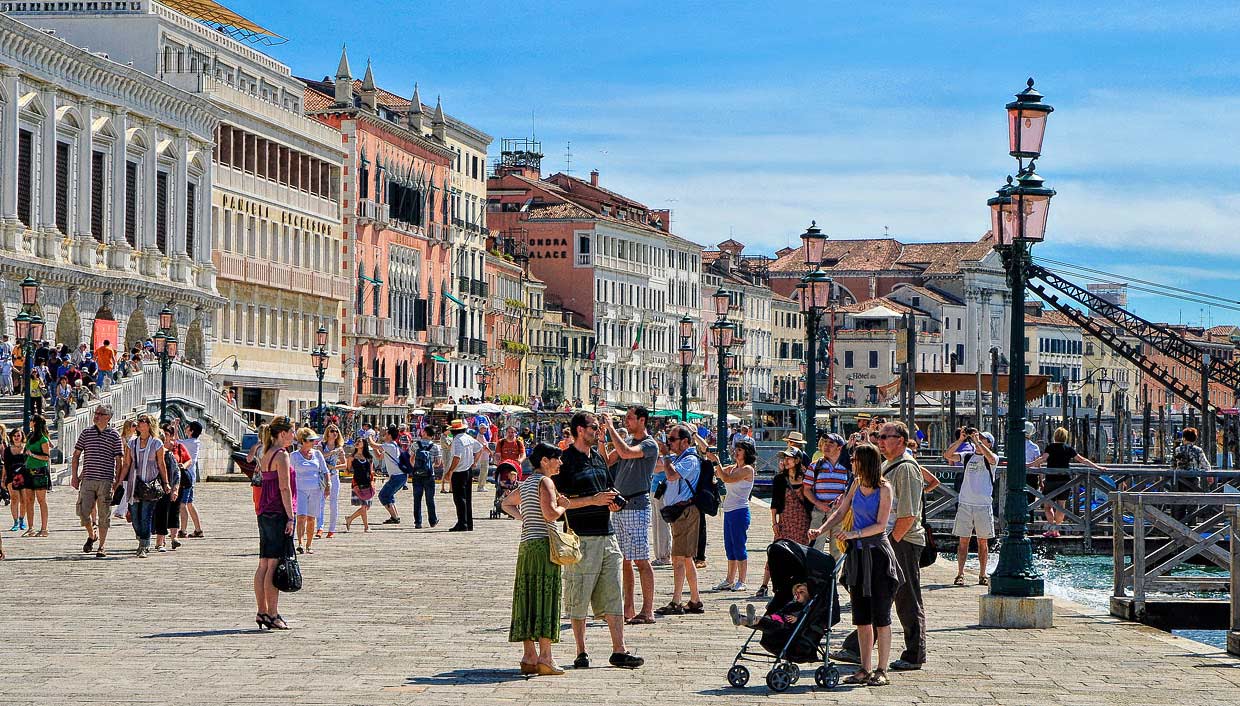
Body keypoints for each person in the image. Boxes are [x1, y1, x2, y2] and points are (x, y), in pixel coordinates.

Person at [834, 421, 927, 672]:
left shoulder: (906, 469)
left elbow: (908, 513)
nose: (880, 440)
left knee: (905, 596)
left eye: (886, 436)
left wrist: (889, 542)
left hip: (902, 539)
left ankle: (914, 653)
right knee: (874, 594)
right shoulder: (886, 465)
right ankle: (857, 648)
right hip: (880, 539)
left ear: (902, 440)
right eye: (879, 436)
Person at [553, 411, 642, 669]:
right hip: (581, 538)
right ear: (580, 430)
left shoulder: (599, 458)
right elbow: (560, 502)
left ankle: (619, 650)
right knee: (579, 594)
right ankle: (581, 651)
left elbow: (609, 488)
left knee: (614, 593)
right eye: (594, 427)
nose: (598, 431)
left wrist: (615, 501)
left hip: (607, 535)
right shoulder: (565, 461)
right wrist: (591, 500)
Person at [809, 442, 900, 687]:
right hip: (857, 558)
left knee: (881, 616)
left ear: (866, 462)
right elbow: (840, 512)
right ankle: (864, 668)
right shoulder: (856, 484)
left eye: (855, 459)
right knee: (861, 617)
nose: (851, 462)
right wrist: (821, 529)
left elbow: (881, 525)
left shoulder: (885, 489)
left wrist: (854, 534)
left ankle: (882, 669)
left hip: (878, 557)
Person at [502, 442, 570, 676]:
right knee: (546, 596)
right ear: (544, 460)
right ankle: (546, 657)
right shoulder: (545, 482)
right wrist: (563, 507)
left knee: (527, 596)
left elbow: (506, 503)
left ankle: (529, 655)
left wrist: (525, 517)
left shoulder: (527, 482)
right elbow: (550, 513)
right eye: (556, 458)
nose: (560, 463)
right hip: (544, 546)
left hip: (526, 545)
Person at [602, 406, 660, 625]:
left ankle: (648, 609)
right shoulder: (628, 442)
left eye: (630, 418)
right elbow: (608, 460)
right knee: (624, 559)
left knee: (641, 559)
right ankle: (628, 607)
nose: (626, 421)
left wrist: (610, 428)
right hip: (620, 504)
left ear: (642, 420)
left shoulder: (648, 444)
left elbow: (625, 453)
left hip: (636, 505)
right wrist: (601, 440)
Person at [654, 423, 704, 616]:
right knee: (685, 557)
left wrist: (666, 455)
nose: (670, 443)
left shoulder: (690, 460)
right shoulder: (679, 457)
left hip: (686, 512)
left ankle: (676, 600)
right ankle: (695, 599)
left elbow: (672, 475)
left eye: (673, 440)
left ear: (685, 441)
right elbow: (657, 466)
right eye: (668, 440)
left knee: (678, 558)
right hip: (679, 513)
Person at [252, 416, 295, 630]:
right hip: (277, 510)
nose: (294, 435)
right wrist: (290, 516)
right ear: (282, 433)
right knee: (274, 564)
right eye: (291, 431)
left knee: (263, 563)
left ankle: (261, 611)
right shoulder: (281, 455)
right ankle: (273, 613)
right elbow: (284, 488)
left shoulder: (266, 453)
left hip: (263, 510)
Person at [754, 448, 812, 598]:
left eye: (789, 458)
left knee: (800, 554)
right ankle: (765, 584)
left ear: (797, 460)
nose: (785, 461)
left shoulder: (806, 478)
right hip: (785, 520)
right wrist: (774, 523)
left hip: (802, 521)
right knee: (776, 552)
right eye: (784, 458)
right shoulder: (780, 479)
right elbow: (775, 504)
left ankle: (798, 585)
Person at [1029, 426, 1106, 538]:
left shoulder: (1050, 447)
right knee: (1061, 506)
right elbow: (1082, 460)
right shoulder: (1068, 448)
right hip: (1065, 482)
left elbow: (1042, 459)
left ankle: (1051, 528)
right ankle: (1057, 529)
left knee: (1047, 506)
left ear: (1055, 436)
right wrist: (1097, 467)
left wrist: (1029, 465)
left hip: (1051, 480)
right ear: (1065, 437)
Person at [944, 430, 998, 586]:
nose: (978, 439)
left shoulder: (992, 458)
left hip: (983, 505)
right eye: (978, 437)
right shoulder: (967, 456)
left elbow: (992, 459)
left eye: (983, 439)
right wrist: (961, 439)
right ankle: (960, 573)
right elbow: (948, 455)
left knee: (983, 542)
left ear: (989, 443)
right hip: (966, 503)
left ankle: (982, 574)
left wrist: (977, 441)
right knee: (963, 541)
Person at [70, 404, 124, 558]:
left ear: (107, 418)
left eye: (100, 414)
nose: (96, 416)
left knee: (103, 515)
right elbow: (76, 455)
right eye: (96, 413)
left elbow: (119, 459)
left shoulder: (114, 435)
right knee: (83, 512)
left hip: (106, 480)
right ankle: (92, 535)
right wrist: (75, 476)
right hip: (87, 478)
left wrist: (117, 480)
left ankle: (102, 546)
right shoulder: (86, 433)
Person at [116, 414, 169, 557]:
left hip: (150, 483)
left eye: (142, 421)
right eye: (138, 421)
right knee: (134, 516)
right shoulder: (132, 443)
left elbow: (161, 464)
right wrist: (120, 480)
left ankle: (144, 545)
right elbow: (127, 463)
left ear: (149, 425)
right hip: (134, 483)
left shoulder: (157, 443)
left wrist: (166, 483)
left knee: (146, 515)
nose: (138, 423)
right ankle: (142, 537)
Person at [716, 439, 755, 592]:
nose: (736, 452)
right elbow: (718, 472)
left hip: (740, 511)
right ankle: (729, 579)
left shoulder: (747, 470)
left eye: (739, 450)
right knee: (729, 547)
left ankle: (742, 580)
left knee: (739, 546)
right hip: (728, 510)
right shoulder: (732, 468)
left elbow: (726, 479)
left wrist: (717, 461)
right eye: (736, 449)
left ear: (746, 453)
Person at [803, 432, 850, 556]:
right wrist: (818, 504)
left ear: (839, 448)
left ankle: (835, 574)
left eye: (831, 443)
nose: (826, 446)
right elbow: (806, 489)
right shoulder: (815, 466)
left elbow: (853, 487)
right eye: (824, 443)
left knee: (838, 549)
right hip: (819, 511)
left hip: (840, 512)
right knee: (815, 547)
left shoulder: (847, 467)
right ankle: (816, 574)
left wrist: (844, 496)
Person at [290, 427, 329, 554]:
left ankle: (309, 544)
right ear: (303, 441)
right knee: (301, 516)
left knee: (311, 518)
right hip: (299, 489)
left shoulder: (317, 454)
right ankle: (300, 542)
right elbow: (289, 473)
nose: (313, 442)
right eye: (311, 440)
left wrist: (328, 485)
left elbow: (325, 471)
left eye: (314, 440)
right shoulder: (294, 456)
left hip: (315, 490)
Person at [154, 421, 188, 553]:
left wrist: (175, 488)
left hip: (171, 485)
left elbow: (177, 472)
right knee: (161, 513)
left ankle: (173, 538)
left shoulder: (170, 453)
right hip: (156, 487)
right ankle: (160, 541)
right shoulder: (151, 453)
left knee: (173, 511)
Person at [444, 419, 483, 532]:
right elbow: (480, 449)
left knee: (459, 498)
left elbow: (457, 457)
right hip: (468, 471)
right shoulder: (469, 438)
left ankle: (462, 523)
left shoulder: (457, 440)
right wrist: (474, 462)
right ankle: (468, 523)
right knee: (467, 498)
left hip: (459, 472)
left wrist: (450, 471)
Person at [730, 581, 810, 632]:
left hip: (785, 626)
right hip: (777, 618)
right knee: (764, 620)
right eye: (796, 592)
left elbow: (809, 619)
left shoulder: (809, 607)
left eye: (801, 592)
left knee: (763, 621)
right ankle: (740, 619)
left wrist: (797, 619)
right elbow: (782, 610)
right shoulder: (792, 604)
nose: (797, 594)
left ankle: (745, 619)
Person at [22, 414, 52, 537]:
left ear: (35, 423)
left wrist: (33, 455)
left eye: (31, 421)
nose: (29, 422)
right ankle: (30, 527)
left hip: (40, 470)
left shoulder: (43, 439)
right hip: (29, 470)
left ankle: (44, 528)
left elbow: (46, 457)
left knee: (41, 500)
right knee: (29, 500)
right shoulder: (30, 436)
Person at [316, 424, 345, 539]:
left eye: (336, 431)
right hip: (322, 476)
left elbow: (345, 465)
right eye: (332, 431)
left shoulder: (339, 447)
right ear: (327, 432)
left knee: (334, 503)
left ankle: (332, 529)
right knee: (320, 503)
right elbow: (320, 457)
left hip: (333, 476)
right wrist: (333, 453)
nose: (334, 433)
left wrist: (334, 467)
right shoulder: (321, 445)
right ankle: (320, 528)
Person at [409, 426, 440, 529]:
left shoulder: (415, 445)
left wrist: (417, 468)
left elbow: (411, 460)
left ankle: (418, 522)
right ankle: (433, 520)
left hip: (417, 475)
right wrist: (429, 467)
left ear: (425, 433)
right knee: (430, 499)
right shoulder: (435, 447)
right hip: (430, 475)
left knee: (417, 499)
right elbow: (438, 463)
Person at [178, 421, 205, 538]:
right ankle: (198, 530)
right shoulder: (195, 442)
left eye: (187, 427)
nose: (186, 428)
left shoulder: (190, 442)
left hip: (186, 478)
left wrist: (174, 427)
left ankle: (182, 531)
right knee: (189, 503)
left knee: (182, 504)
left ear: (191, 430)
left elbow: (176, 443)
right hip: (191, 477)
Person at [377, 425, 406, 525]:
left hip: (397, 476)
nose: (384, 435)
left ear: (389, 435)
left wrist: (370, 437)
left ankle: (395, 517)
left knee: (383, 495)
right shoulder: (393, 446)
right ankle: (395, 516)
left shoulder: (388, 446)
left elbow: (373, 445)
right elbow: (379, 457)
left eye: (386, 433)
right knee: (389, 495)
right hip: (400, 476)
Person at [345, 438, 376, 532]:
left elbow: (371, 471)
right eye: (356, 441)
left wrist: (373, 482)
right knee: (364, 506)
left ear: (364, 444)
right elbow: (347, 470)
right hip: (357, 484)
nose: (357, 443)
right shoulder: (352, 457)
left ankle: (350, 518)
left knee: (366, 506)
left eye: (359, 441)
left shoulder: (369, 457)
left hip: (367, 483)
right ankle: (366, 527)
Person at [4, 428, 27, 532]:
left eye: (18, 435)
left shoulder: (26, 448)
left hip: (25, 477)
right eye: (15, 436)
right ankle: (15, 521)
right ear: (12, 437)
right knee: (14, 499)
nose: (17, 438)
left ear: (22, 436)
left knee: (24, 500)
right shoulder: (7, 450)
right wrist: (2, 479)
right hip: (11, 476)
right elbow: (5, 465)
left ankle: (22, 519)